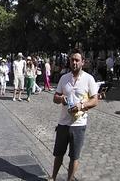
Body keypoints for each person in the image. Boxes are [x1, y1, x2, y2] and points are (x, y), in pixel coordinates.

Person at [50, 48, 99, 181]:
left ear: (83, 62)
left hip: (79, 124)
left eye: (77, 60)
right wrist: (61, 99)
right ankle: (53, 177)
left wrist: (81, 106)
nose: (74, 62)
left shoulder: (89, 79)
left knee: (74, 156)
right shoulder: (64, 78)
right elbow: (55, 97)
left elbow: (95, 100)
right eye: (72, 60)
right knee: (58, 154)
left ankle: (69, 179)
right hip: (63, 123)